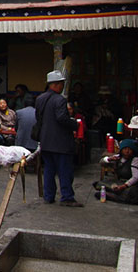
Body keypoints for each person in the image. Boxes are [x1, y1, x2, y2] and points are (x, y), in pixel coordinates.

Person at [36, 70, 82, 206]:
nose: (62, 86)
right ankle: (67, 196)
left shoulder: (40, 99)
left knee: (49, 170)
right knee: (64, 170)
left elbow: (38, 118)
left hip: (45, 140)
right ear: (56, 85)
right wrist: (74, 124)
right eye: (61, 84)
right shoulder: (60, 100)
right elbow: (61, 118)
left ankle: (49, 196)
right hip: (60, 142)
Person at [94, 139, 138, 205]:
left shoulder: (135, 160)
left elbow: (136, 177)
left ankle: (112, 196)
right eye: (125, 149)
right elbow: (101, 162)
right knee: (100, 184)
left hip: (133, 185)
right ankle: (114, 193)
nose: (127, 151)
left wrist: (124, 186)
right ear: (121, 150)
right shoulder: (118, 158)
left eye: (129, 149)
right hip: (120, 182)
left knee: (133, 194)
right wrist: (109, 159)